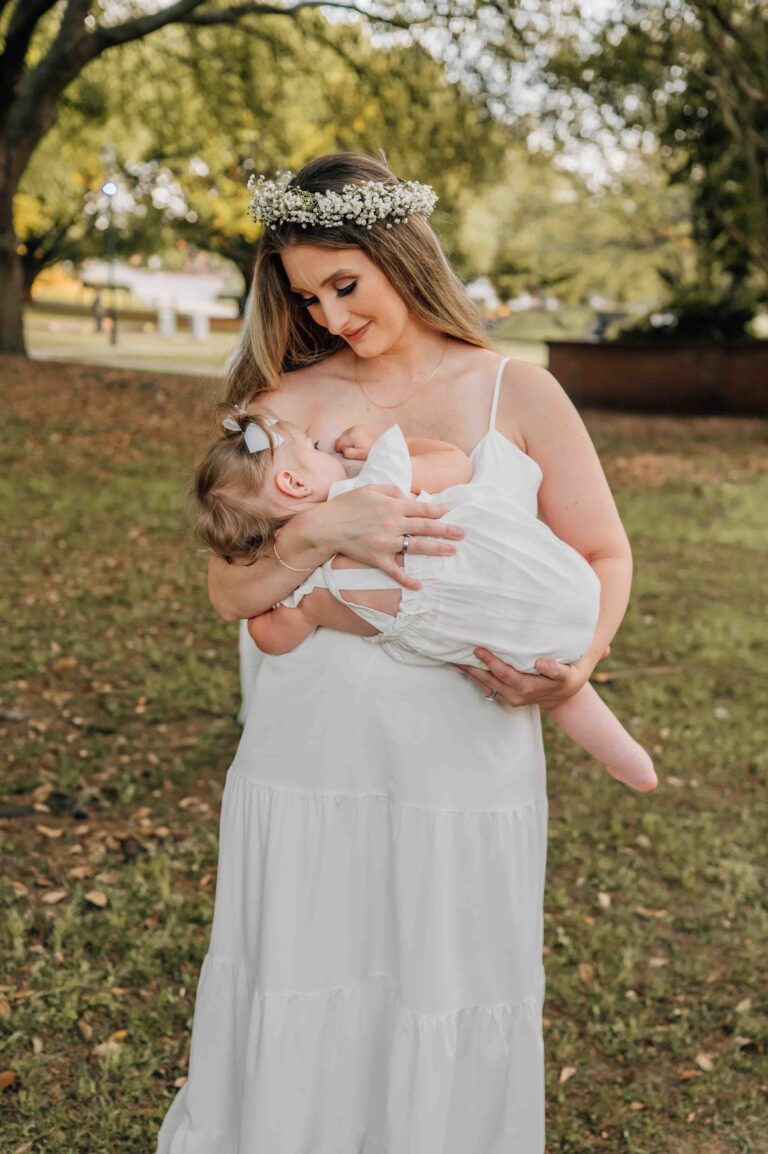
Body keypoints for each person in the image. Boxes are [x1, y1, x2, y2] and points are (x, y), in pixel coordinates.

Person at [156, 152, 640, 1154]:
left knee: (442, 979)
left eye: (346, 282)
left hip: (460, 770)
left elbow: (604, 549)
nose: (330, 313)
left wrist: (580, 660)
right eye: (307, 293)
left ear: (401, 254)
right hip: (310, 759)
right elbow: (230, 590)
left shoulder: (519, 391)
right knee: (309, 971)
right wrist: (324, 532)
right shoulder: (282, 400)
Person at [192, 406, 656, 793]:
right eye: (315, 450)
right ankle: (626, 756)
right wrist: (382, 446)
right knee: (550, 674)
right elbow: (455, 462)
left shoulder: (300, 579)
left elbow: (266, 635)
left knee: (544, 681)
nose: (329, 449)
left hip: (460, 628)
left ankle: (623, 756)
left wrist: (308, 612)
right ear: (294, 483)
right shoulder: (372, 488)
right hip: (525, 589)